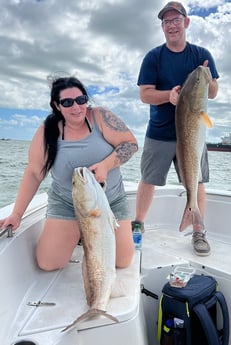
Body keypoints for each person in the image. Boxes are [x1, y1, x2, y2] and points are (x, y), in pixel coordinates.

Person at [0, 76, 138, 270]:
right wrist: (17, 214)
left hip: (109, 201)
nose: (76, 107)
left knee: (122, 262)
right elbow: (33, 173)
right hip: (67, 202)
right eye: (67, 102)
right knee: (48, 264)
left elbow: (130, 144)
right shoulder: (47, 131)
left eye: (81, 100)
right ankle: (76, 233)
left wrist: (106, 165)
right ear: (57, 106)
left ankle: (83, 235)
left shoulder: (101, 117)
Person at [132, 1, 219, 256]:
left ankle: (198, 231)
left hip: (193, 134)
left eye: (176, 20)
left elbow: (213, 92)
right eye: (166, 21)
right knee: (148, 180)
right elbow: (145, 95)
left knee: (197, 181)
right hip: (159, 132)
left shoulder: (201, 54)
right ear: (162, 27)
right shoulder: (153, 57)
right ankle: (138, 224)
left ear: (186, 22)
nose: (171, 25)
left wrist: (206, 77)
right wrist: (168, 96)